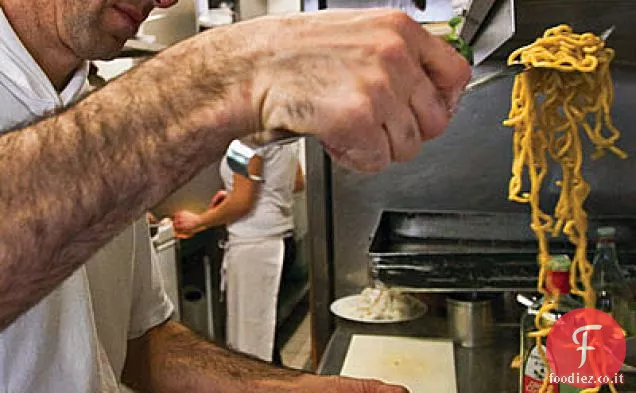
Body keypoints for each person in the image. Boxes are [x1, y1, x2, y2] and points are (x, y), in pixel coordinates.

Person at [0, 0, 471, 391]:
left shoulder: (89, 103)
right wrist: (225, 75)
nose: (167, 0)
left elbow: (138, 341)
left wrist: (286, 389)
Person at [172, 141, 304, 366]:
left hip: (256, 249)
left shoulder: (246, 139)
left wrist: (198, 221)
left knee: (252, 349)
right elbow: (297, 181)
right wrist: (235, 195)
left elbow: (243, 202)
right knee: (264, 342)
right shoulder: (282, 134)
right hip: (279, 243)